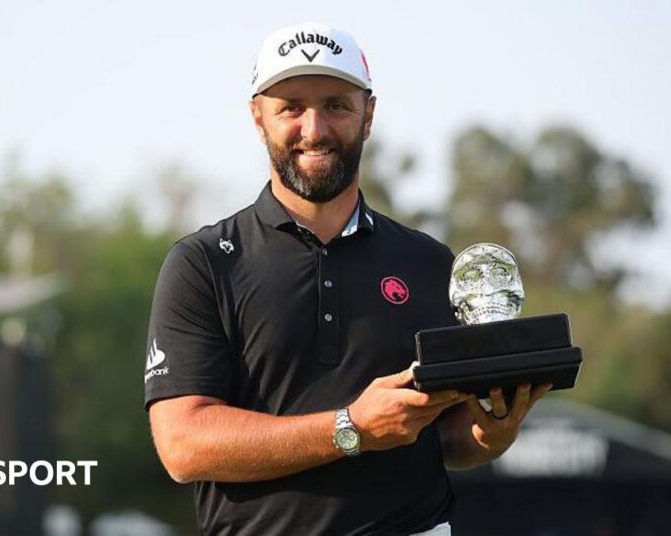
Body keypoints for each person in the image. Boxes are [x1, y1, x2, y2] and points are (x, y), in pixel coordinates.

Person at [144, 22, 551, 536]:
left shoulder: (428, 262)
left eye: (336, 105)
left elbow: (451, 438)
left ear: (368, 115)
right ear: (258, 118)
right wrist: (351, 428)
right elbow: (183, 445)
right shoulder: (204, 263)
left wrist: (493, 433)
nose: (314, 129)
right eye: (291, 107)